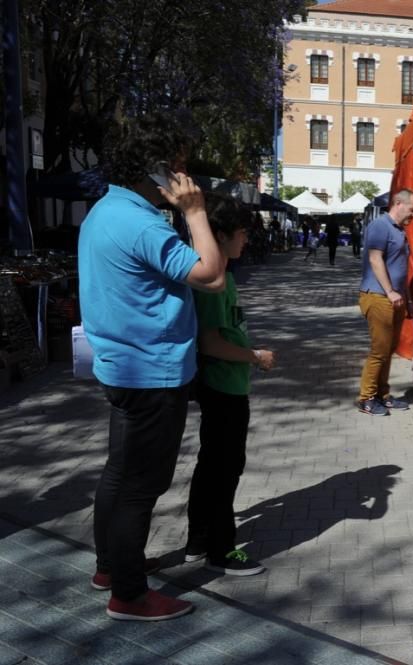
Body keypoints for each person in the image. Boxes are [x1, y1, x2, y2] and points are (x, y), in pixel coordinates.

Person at [79, 112, 227, 621]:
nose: (185, 177)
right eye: (179, 167)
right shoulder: (139, 222)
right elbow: (210, 275)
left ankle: (109, 567)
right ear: (159, 169)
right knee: (141, 486)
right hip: (151, 372)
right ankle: (129, 593)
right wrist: (195, 211)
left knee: (120, 474)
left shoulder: (105, 210)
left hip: (123, 366)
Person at [184, 195, 276, 577]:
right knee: (224, 468)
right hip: (221, 386)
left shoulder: (225, 276)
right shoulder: (213, 282)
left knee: (213, 465)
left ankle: (198, 539)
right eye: (241, 233)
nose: (246, 241)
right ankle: (221, 549)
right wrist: (255, 356)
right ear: (219, 235)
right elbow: (210, 343)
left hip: (229, 385)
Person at [356, 189, 413, 416]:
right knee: (379, 351)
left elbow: (402, 270)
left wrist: (408, 300)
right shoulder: (380, 226)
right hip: (378, 296)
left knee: (388, 350)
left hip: (395, 298)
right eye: (412, 210)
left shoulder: (400, 232)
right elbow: (375, 259)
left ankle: (382, 395)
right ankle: (366, 398)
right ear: (398, 203)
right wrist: (390, 291)